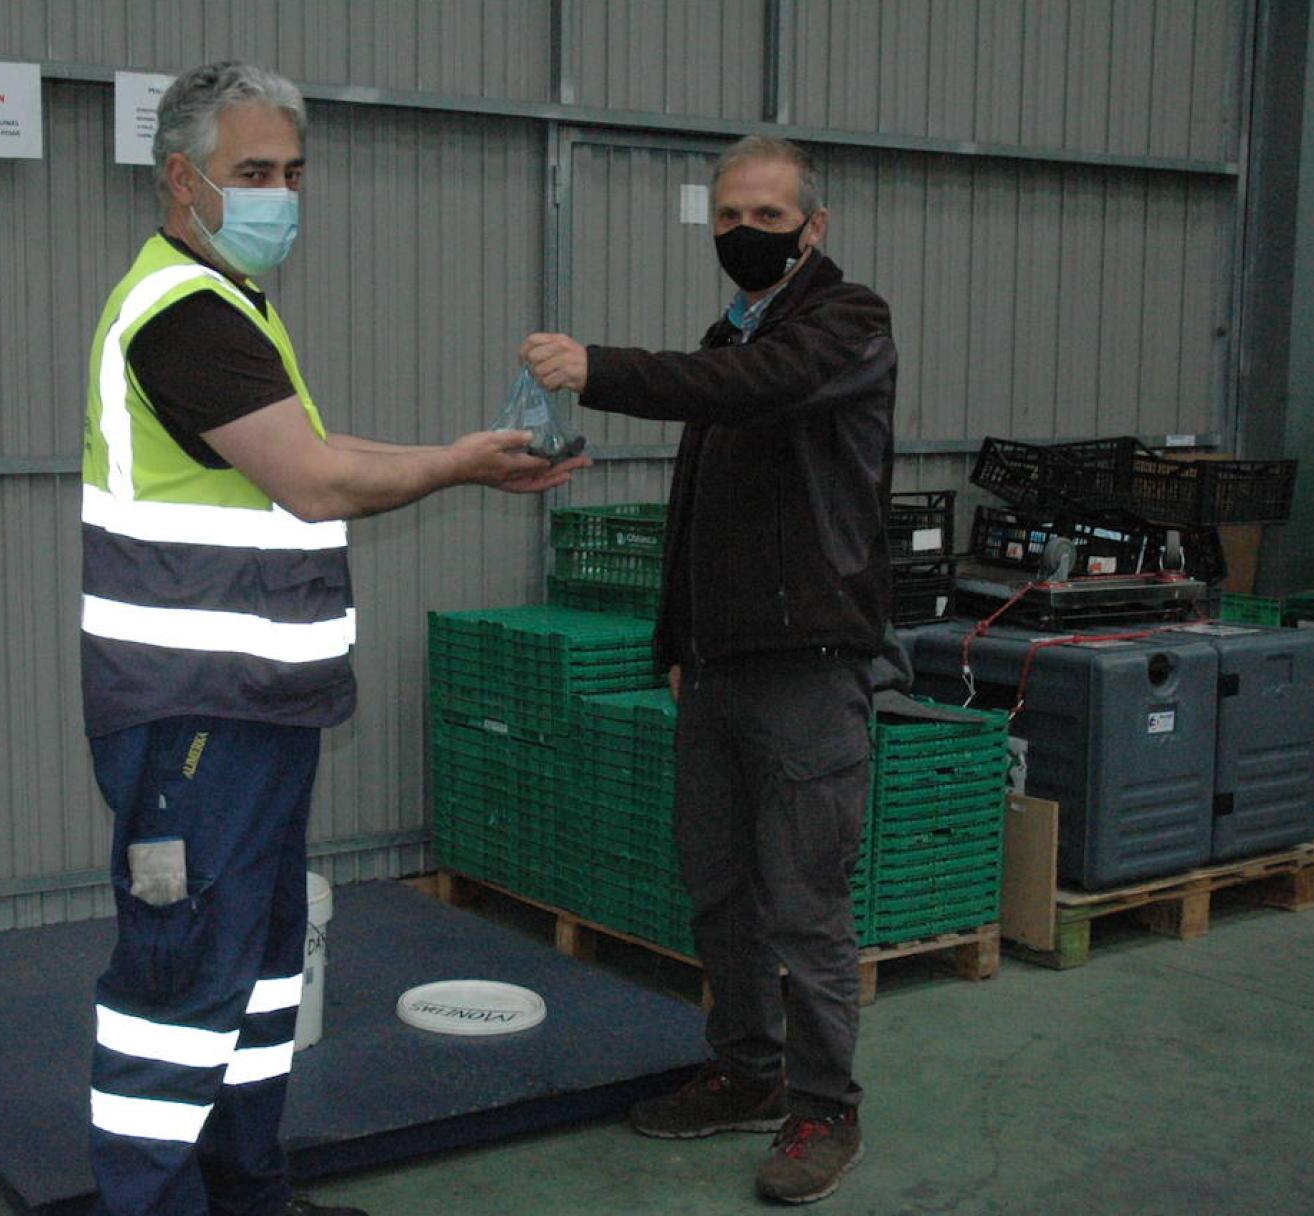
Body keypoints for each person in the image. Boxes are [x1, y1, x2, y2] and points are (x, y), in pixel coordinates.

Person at [81, 62, 585, 1216]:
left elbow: (301, 451)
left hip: (258, 708)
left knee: (257, 976)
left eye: (294, 173)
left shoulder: (233, 303)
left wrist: (459, 453)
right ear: (181, 177)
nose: (281, 195)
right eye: (254, 173)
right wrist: (460, 461)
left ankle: (250, 1193)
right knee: (180, 985)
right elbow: (313, 483)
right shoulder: (182, 313)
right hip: (193, 717)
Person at [521, 135, 894, 1206]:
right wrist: (675, 644)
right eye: (727, 214)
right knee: (720, 885)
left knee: (805, 902)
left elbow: (753, 387)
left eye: (768, 217)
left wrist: (599, 368)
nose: (743, 233)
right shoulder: (729, 335)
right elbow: (697, 514)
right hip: (721, 667)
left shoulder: (845, 324)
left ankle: (826, 1106)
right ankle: (747, 1072)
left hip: (809, 666)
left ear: (813, 228)